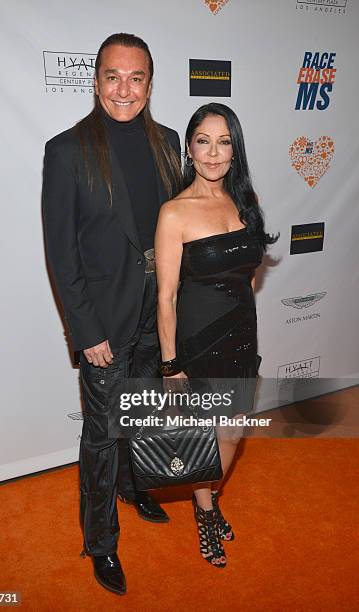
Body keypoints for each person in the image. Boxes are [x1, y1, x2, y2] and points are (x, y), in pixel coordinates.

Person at [42, 33, 182, 595]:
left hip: (160, 311)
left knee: (143, 414)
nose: (125, 89)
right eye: (113, 77)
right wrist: (86, 330)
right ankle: (100, 541)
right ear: (96, 79)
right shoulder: (68, 150)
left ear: (150, 82)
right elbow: (61, 252)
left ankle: (136, 485)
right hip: (105, 317)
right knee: (101, 434)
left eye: (137, 77)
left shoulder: (169, 142)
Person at [155, 103, 277, 568]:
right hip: (198, 342)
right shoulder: (174, 213)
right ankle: (206, 511)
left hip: (242, 336)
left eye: (223, 142)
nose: (213, 152)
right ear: (189, 148)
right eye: (203, 141)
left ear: (234, 150)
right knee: (202, 436)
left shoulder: (245, 203)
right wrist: (171, 367)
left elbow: (247, 277)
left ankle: (206, 498)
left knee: (233, 431)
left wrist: (245, 325)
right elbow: (165, 297)